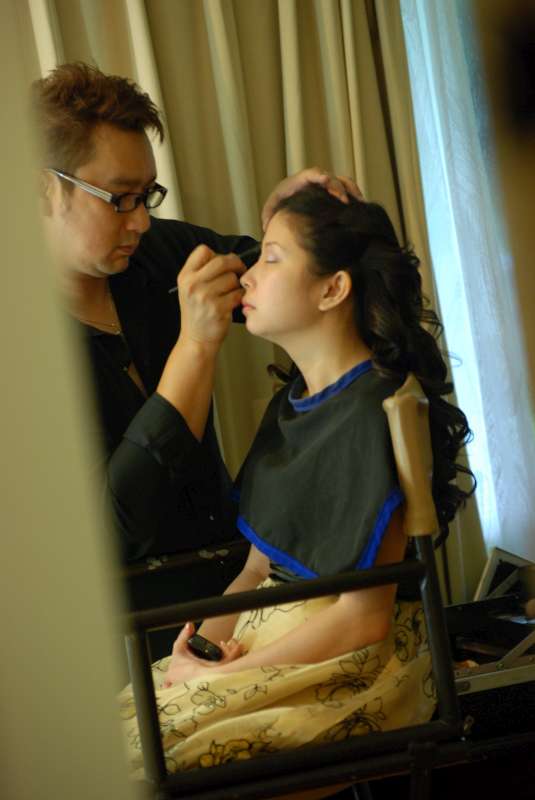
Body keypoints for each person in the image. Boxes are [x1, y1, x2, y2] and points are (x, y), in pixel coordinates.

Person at [119, 185, 476, 777]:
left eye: (271, 258)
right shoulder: (291, 405)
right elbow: (256, 571)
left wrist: (222, 675)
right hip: (268, 640)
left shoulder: (376, 410)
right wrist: (199, 651)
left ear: (333, 288)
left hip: (351, 667)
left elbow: (364, 619)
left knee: (134, 768)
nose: (248, 276)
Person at [33, 62, 357, 568]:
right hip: (137, 606)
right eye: (120, 199)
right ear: (44, 190)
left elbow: (299, 282)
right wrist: (195, 347)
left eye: (146, 196)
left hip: (236, 565)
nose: (141, 221)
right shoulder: (21, 346)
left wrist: (286, 228)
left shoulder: (157, 253)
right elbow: (115, 528)